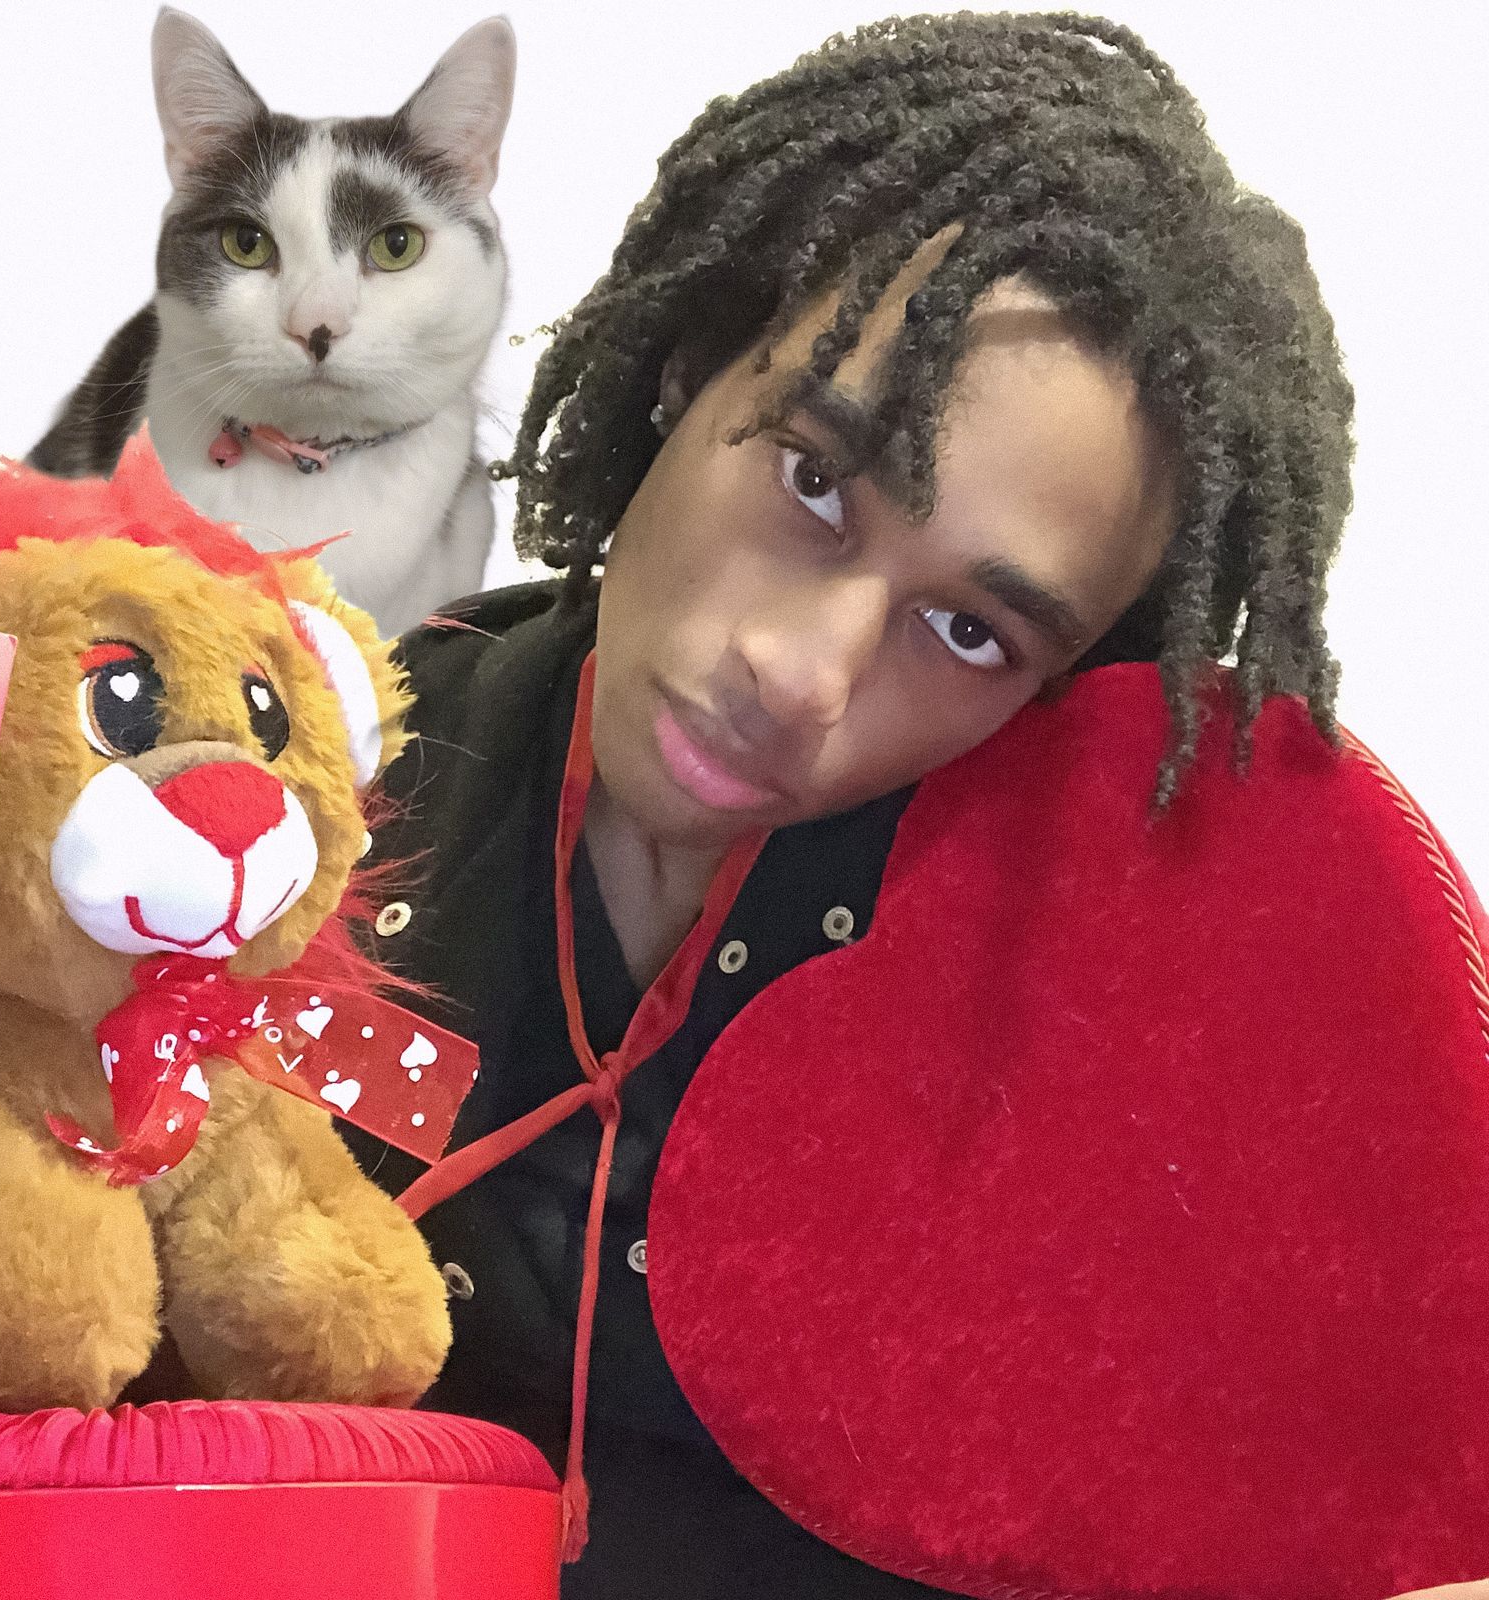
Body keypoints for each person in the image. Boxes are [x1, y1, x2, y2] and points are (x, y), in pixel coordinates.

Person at [335, 12, 1469, 1597]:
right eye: (814, 480)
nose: (805, 676)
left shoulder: (1111, 1001)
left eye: (973, 631)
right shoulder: (329, 772)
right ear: (691, 363)